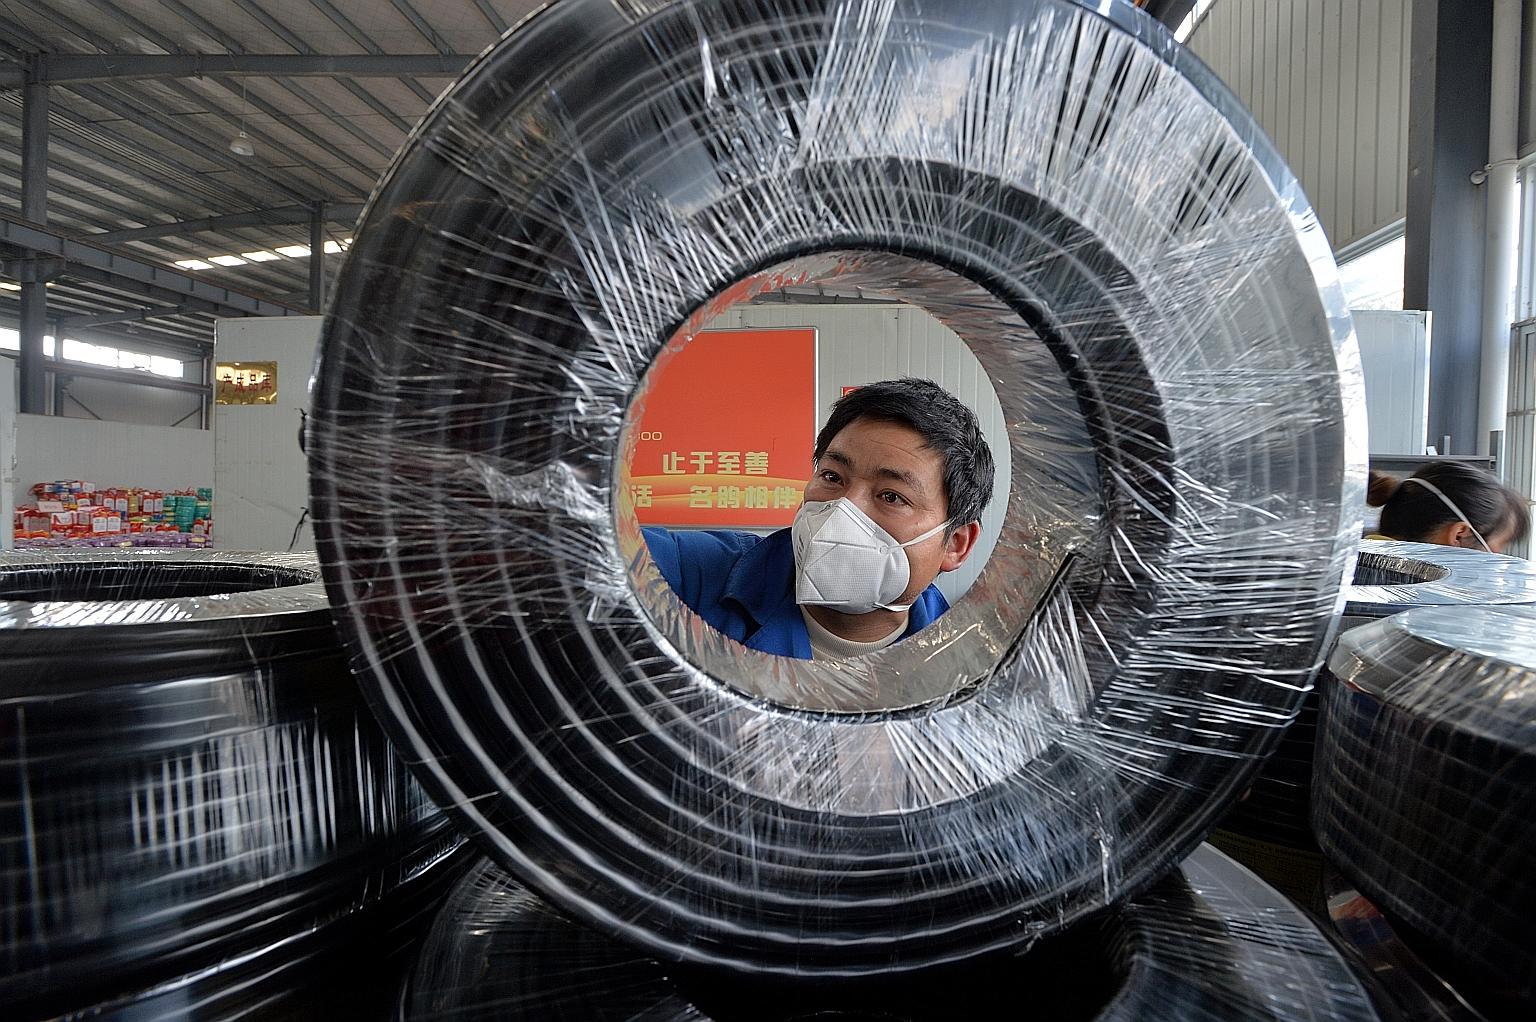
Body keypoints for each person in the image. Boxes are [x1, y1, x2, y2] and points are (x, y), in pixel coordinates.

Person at [643, 378, 995, 660]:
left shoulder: (967, 662)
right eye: (832, 477)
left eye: (891, 496)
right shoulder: (688, 574)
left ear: (955, 544)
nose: (844, 508)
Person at [1365, 461, 1530, 555]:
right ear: (1459, 535)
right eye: (1498, 548)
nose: (1500, 560)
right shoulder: (1418, 604)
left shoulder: (1358, 565)